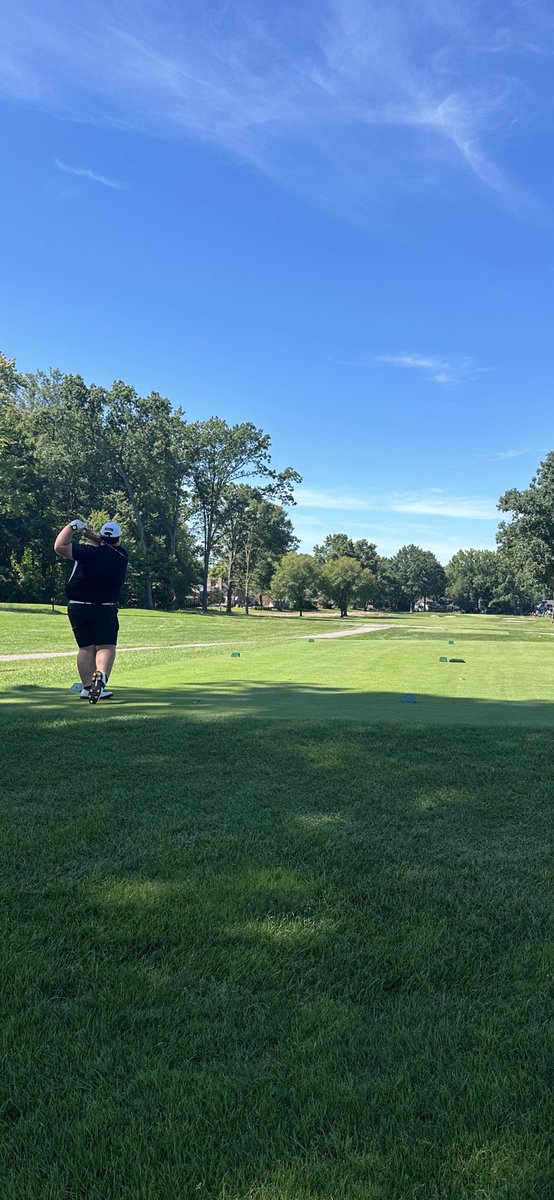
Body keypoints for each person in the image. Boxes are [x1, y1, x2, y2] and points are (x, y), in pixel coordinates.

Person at [54, 519, 128, 704]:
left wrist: (73, 526)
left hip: (77, 605)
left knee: (85, 647)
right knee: (105, 646)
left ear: (101, 537)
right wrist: (91, 535)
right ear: (118, 539)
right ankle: (100, 678)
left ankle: (87, 688)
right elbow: (106, 546)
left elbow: (59, 546)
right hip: (105, 607)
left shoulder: (85, 552)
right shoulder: (121, 555)